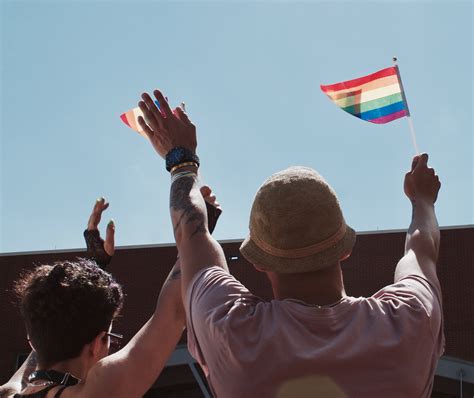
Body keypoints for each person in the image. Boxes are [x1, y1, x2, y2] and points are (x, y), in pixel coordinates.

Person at [137, 88, 444, 398]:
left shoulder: (231, 330)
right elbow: (421, 251)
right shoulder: (408, 322)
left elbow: (193, 237)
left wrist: (181, 160)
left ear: (258, 262)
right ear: (346, 249)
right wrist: (422, 201)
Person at [0, 190, 221, 398]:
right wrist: (199, 231)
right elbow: (172, 311)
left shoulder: (8, 391)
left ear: (31, 341)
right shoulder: (100, 390)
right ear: (98, 343)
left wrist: (94, 270)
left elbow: (49, 333)